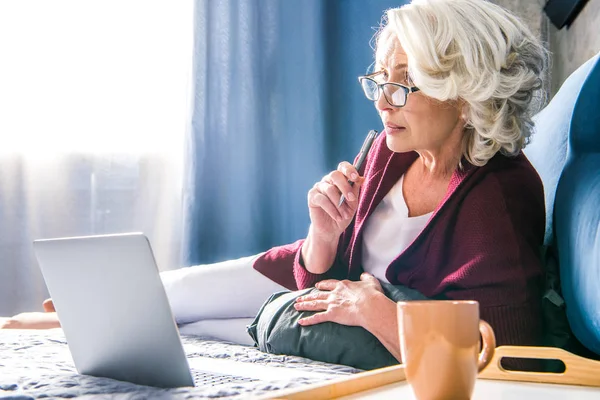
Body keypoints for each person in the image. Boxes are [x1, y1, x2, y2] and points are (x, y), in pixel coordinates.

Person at [2, 0, 549, 364]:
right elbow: (325, 263)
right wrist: (323, 235)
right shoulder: (392, 146)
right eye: (381, 80)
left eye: (406, 86)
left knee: (186, 329)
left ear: (465, 92)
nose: (384, 102)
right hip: (315, 280)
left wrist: (376, 312)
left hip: (350, 316)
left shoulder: (499, 195)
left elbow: (507, 350)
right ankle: (45, 322)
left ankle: (54, 332)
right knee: (174, 292)